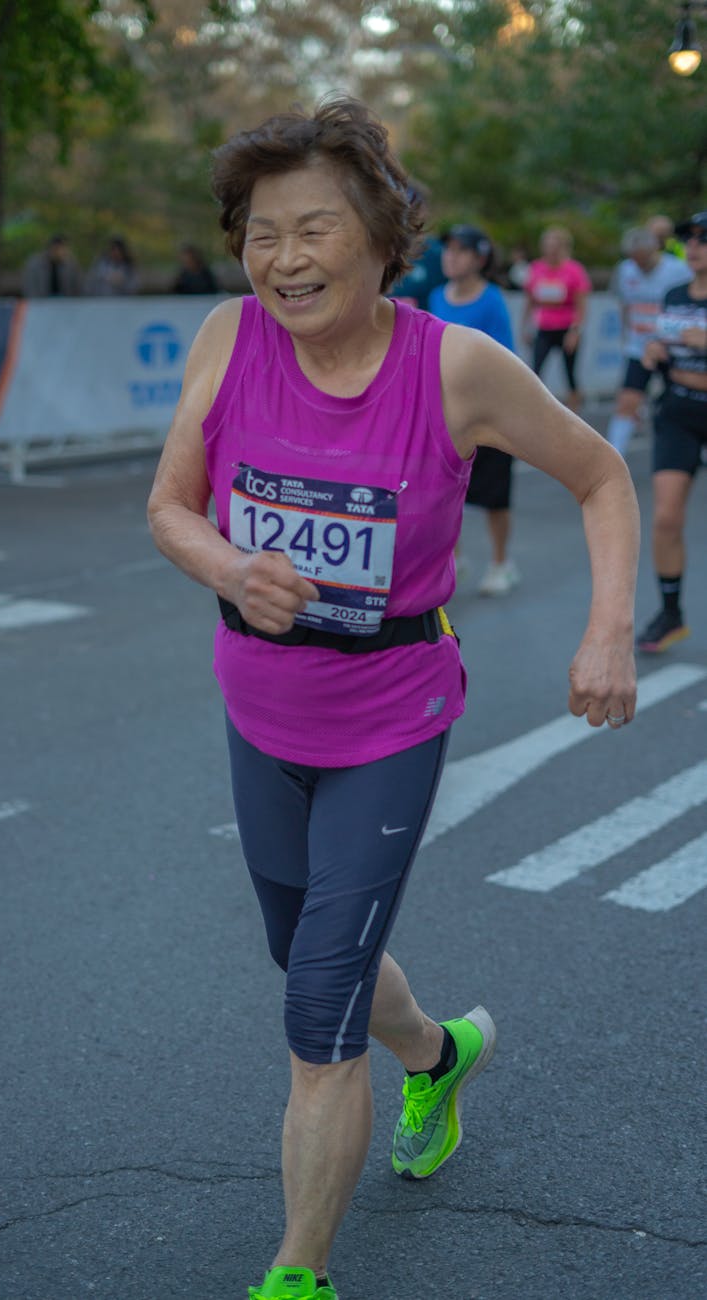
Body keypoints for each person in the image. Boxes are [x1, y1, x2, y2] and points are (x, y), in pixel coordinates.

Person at [147, 97, 639, 1300]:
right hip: (258, 708)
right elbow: (170, 506)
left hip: (391, 718)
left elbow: (601, 473)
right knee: (305, 949)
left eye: (314, 229)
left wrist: (609, 630)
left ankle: (296, 1276)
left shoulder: (455, 366)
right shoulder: (225, 337)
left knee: (318, 1008)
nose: (285, 259)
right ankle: (439, 1051)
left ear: (380, 238)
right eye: (262, 233)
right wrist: (228, 566)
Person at [430, 225, 521, 596]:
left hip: (488, 415)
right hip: (444, 414)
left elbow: (502, 363)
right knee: (440, 493)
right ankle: (454, 559)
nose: (451, 256)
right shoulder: (436, 295)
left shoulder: (492, 300)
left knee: (495, 498)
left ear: (480, 259)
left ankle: (502, 563)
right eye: (448, 249)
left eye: (461, 250)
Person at [637, 210, 707, 653]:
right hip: (678, 412)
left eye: (704, 238)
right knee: (665, 517)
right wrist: (654, 351)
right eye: (690, 239)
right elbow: (667, 352)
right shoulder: (674, 293)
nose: (694, 246)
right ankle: (670, 613)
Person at [606, 227, 692, 457]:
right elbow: (625, 306)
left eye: (643, 259)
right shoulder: (625, 271)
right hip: (639, 348)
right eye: (635, 260)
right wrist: (626, 339)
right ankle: (614, 456)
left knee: (684, 403)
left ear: (654, 249)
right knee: (627, 401)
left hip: (674, 350)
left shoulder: (679, 270)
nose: (639, 265)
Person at [521, 226, 592, 414]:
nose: (550, 250)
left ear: (563, 247)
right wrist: (525, 327)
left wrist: (575, 332)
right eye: (546, 245)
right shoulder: (536, 268)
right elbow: (529, 301)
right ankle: (533, 412)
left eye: (554, 246)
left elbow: (582, 305)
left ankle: (575, 413)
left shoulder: (574, 270)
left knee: (569, 374)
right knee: (534, 371)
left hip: (567, 328)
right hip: (544, 327)